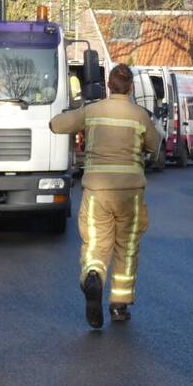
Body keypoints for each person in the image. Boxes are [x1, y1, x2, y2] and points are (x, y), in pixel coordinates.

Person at [49, 64, 161, 328]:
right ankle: (119, 306)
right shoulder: (140, 116)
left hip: (97, 191)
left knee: (96, 244)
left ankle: (93, 276)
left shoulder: (93, 111)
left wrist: (54, 120)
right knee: (127, 248)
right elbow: (155, 148)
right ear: (131, 88)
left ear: (108, 86)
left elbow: (58, 125)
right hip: (131, 194)